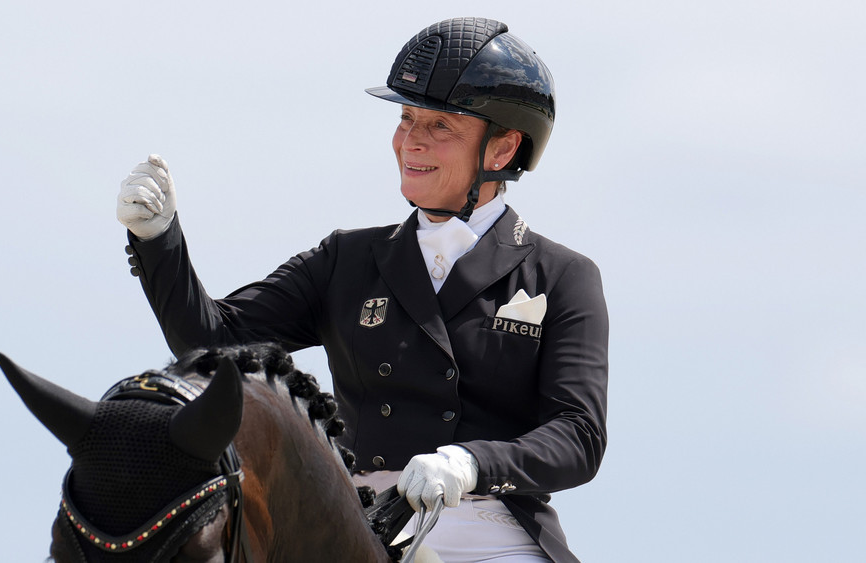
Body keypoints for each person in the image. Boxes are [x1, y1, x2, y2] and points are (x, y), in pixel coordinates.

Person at [117, 17, 608, 563]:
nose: (411, 140)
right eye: (405, 118)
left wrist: (471, 463)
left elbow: (578, 435)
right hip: (360, 526)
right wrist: (159, 241)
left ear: (501, 149)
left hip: (492, 532)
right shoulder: (346, 260)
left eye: (440, 125)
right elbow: (213, 341)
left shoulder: (561, 275)